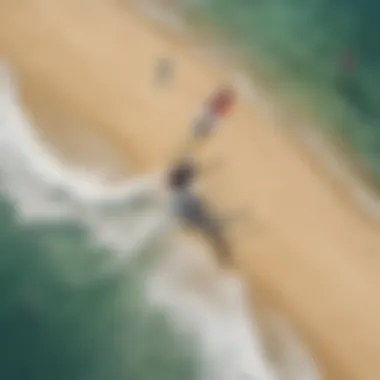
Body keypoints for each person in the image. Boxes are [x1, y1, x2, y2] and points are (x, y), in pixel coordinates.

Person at [166, 157, 234, 265]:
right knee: (213, 232)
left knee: (212, 232)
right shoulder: (185, 195)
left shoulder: (179, 193)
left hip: (183, 215)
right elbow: (197, 209)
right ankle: (224, 255)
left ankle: (223, 254)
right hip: (189, 215)